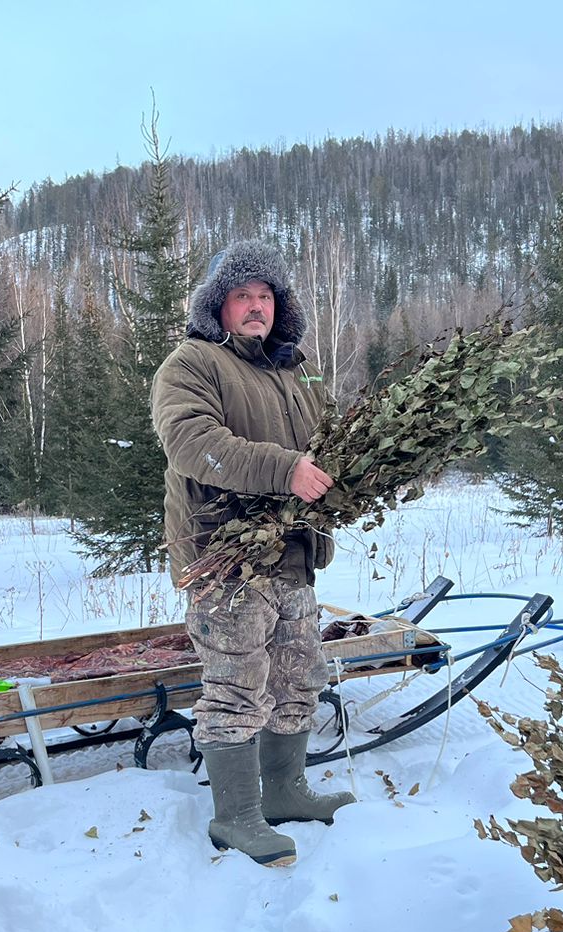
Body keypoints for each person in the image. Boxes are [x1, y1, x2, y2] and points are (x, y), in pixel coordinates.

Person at [150, 239, 355, 867]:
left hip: (292, 554)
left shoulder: (292, 373)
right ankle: (235, 816)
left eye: (265, 296)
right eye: (243, 295)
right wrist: (285, 468)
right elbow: (192, 443)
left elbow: (327, 451)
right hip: (226, 556)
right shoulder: (190, 364)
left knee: (298, 676)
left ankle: (287, 791)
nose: (256, 306)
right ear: (218, 305)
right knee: (237, 686)